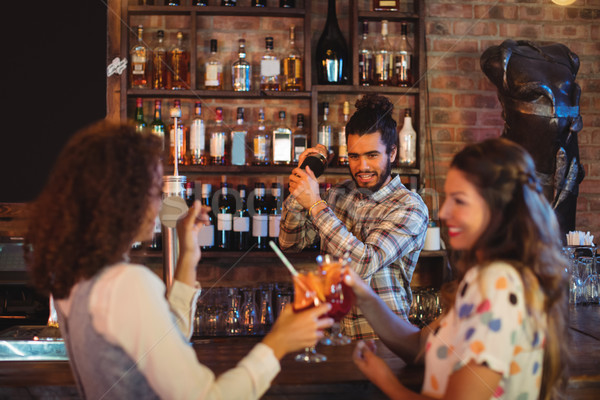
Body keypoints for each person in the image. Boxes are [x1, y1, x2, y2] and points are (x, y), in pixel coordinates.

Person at [25, 121, 333, 400]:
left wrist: (188, 255)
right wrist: (278, 341)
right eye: (155, 191)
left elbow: (165, 337)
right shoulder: (127, 284)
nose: (161, 202)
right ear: (123, 198)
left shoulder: (75, 278)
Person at [345, 138, 569, 399]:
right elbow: (418, 347)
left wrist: (387, 383)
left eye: (459, 201)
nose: (445, 211)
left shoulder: (498, 283)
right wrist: (363, 294)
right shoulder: (487, 278)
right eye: (448, 197)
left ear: (499, 209)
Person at [279, 94, 429, 340]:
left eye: (372, 155)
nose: (362, 167)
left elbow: (363, 264)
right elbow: (290, 243)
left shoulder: (410, 207)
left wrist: (315, 204)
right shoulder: (338, 195)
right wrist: (305, 178)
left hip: (385, 343)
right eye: (354, 156)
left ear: (392, 153)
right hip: (335, 338)